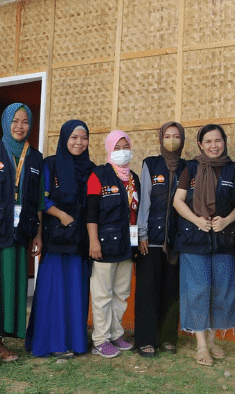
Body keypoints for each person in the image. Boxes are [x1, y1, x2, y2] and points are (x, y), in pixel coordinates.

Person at [173, 124, 235, 366]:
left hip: (223, 240)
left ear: (224, 142)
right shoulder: (190, 168)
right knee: (198, 290)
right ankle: (201, 345)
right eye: (209, 141)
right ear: (201, 145)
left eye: (218, 140)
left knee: (222, 292)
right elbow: (178, 201)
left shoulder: (233, 169)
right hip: (194, 240)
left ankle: (213, 340)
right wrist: (196, 220)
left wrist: (226, 220)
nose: (214, 145)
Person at [25, 120, 94, 358]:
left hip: (80, 241)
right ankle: (53, 344)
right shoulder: (51, 164)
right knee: (54, 292)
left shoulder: (92, 169)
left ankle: (75, 343)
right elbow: (40, 199)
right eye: (74, 137)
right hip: (56, 239)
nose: (79, 142)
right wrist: (62, 215)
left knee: (76, 291)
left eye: (83, 137)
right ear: (65, 138)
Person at [0, 103, 44, 362]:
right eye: (15, 120)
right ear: (5, 122)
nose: (19, 126)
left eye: (25, 121)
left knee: (12, 285)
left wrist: (38, 234)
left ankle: (1, 340)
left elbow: (37, 200)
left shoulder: (35, 158)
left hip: (21, 232)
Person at [86, 130, 140, 358]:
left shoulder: (134, 178)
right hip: (104, 245)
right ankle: (100, 340)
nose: (121, 152)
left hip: (127, 246)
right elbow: (90, 212)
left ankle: (116, 334)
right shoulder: (98, 175)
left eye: (125, 146)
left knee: (121, 293)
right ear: (109, 149)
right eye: (116, 148)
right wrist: (93, 241)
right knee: (102, 295)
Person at [134, 122, 186, 357]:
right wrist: (142, 233)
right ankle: (146, 339)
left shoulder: (188, 167)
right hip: (151, 240)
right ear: (160, 138)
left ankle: (168, 338)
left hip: (177, 241)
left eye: (176, 136)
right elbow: (144, 199)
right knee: (147, 291)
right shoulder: (150, 164)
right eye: (168, 135)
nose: (172, 140)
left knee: (171, 291)